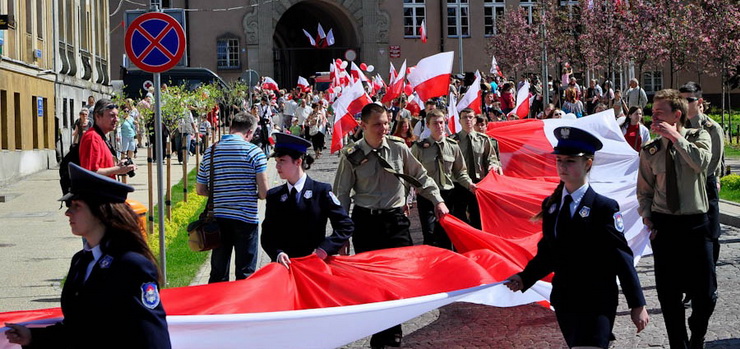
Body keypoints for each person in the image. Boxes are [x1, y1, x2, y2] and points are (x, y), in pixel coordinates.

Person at [507, 127, 649, 349]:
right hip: (566, 301)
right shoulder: (552, 205)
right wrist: (525, 278)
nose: (562, 166)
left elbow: (622, 257)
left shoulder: (604, 207)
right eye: (559, 160)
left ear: (588, 164)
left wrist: (637, 303)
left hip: (596, 300)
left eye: (570, 161)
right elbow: (548, 253)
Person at [5, 163, 171, 348]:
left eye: (77, 206)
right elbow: (78, 330)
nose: (68, 212)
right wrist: (32, 337)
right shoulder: (81, 260)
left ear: (100, 212)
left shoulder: (131, 264)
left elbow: (153, 338)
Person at [334, 103, 448, 348]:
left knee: (398, 281)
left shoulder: (399, 148)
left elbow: (420, 176)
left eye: (386, 122)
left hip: (396, 222)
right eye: (377, 124)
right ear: (363, 126)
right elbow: (341, 194)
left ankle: (393, 331)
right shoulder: (351, 155)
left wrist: (437, 200)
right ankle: (381, 332)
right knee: (372, 284)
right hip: (366, 223)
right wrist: (342, 233)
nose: (383, 128)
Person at [637, 89, 715, 349]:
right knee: (669, 296)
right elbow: (645, 190)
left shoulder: (699, 136)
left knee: (705, 295)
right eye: (653, 112)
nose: (653, 117)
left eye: (660, 113)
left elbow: (701, 163)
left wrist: (675, 136)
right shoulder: (650, 150)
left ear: (677, 115)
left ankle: (698, 332)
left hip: (696, 223)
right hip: (665, 226)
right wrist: (647, 217)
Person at [196, 112, 269, 283]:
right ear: (249, 132)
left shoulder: (211, 151)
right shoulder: (255, 152)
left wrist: (221, 193)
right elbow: (264, 192)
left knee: (218, 271)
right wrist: (252, 194)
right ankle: (242, 307)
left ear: (231, 128)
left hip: (219, 219)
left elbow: (200, 189)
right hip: (246, 218)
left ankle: (218, 307)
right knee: (245, 273)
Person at [261, 133, 353, 267]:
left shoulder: (320, 191)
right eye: (276, 162)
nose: (277, 167)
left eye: (282, 161)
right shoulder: (274, 195)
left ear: (298, 161)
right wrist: (278, 253)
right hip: (286, 266)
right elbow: (267, 235)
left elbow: (345, 225)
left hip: (314, 265)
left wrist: (324, 249)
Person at [680, 82, 724, 310]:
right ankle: (690, 286)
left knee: (709, 238)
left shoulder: (711, 128)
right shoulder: (677, 125)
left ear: (698, 102)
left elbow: (711, 164)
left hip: (705, 188)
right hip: (684, 190)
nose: (684, 103)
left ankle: (709, 286)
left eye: (688, 99)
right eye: (681, 98)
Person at [411, 110, 476, 248]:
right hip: (427, 196)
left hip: (448, 195)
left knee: (447, 235)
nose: (439, 126)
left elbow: (460, 172)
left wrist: (470, 184)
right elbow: (410, 173)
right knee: (430, 235)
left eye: (441, 123)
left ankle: (447, 266)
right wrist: (406, 199)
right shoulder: (419, 148)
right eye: (435, 123)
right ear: (428, 125)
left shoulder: (453, 146)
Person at [450, 108, 502, 229]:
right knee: (460, 218)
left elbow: (492, 157)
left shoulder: (483, 139)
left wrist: (493, 165)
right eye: (464, 117)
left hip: (479, 183)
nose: (467, 120)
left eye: (470, 117)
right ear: (459, 121)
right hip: (459, 184)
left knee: (478, 218)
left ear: (474, 120)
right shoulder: (452, 141)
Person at [79, 99, 137, 179]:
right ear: (98, 116)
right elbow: (90, 173)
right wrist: (117, 170)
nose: (116, 119)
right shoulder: (92, 138)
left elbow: (102, 168)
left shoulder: (100, 136)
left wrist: (118, 167)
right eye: (112, 116)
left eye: (117, 116)